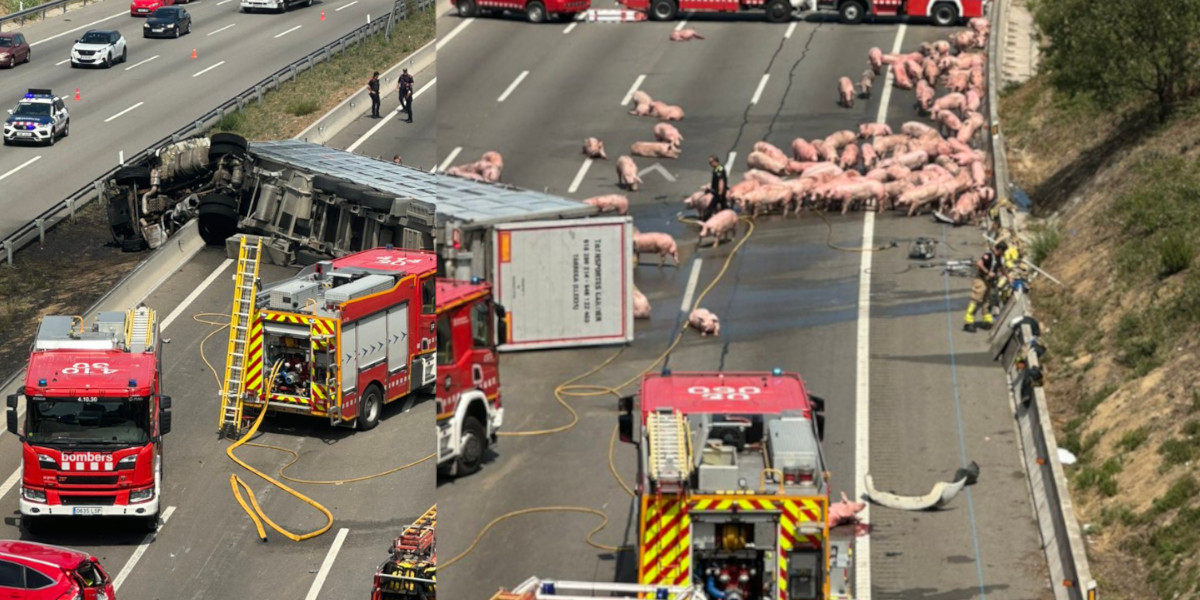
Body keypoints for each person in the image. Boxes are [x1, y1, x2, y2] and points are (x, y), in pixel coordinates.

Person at [963, 245, 1000, 332]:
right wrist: (988, 272)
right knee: (976, 301)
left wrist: (1008, 277)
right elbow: (979, 263)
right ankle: (968, 323)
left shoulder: (998, 258)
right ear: (1000, 250)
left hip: (988, 282)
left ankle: (987, 321)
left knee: (986, 302)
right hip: (981, 280)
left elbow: (1001, 268)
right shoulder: (989, 255)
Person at [700, 154, 729, 222]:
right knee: (724, 206)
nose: (710, 164)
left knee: (710, 207)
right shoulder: (716, 169)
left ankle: (705, 220)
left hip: (719, 193)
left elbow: (721, 182)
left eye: (711, 162)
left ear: (715, 161)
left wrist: (720, 193)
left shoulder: (719, 169)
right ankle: (729, 216)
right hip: (718, 192)